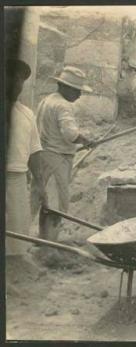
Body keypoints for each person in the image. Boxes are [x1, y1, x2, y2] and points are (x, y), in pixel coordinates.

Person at [30, 66, 94, 239]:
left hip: (40, 157)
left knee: (39, 199)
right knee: (56, 204)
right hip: (56, 158)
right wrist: (85, 140)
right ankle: (49, 244)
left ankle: (26, 238)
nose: (79, 95)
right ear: (65, 87)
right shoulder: (63, 106)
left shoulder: (47, 100)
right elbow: (70, 134)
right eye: (77, 91)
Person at [5, 58, 47, 258]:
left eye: (20, 79)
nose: (17, 84)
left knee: (18, 227)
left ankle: (15, 263)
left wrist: (39, 183)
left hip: (18, 179)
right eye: (12, 77)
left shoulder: (27, 114)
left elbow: (34, 150)